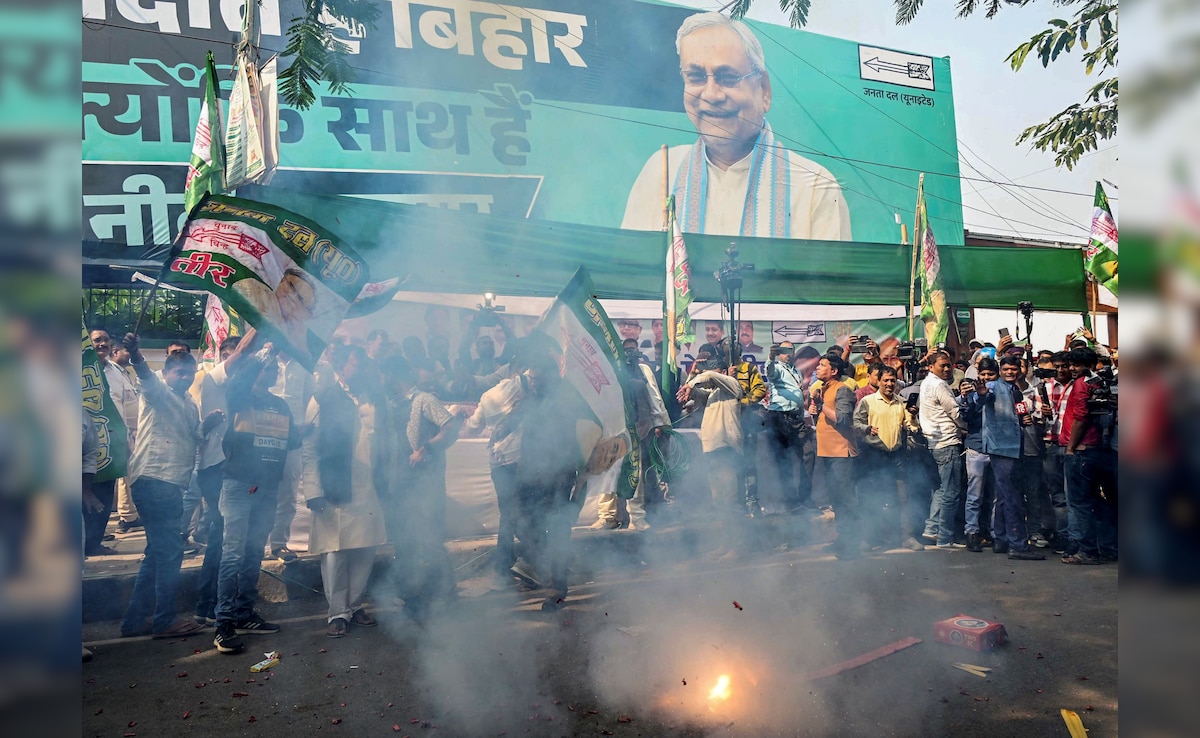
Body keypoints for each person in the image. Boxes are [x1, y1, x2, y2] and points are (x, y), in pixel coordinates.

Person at [622, 12, 850, 240]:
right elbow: (626, 273)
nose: (711, 94)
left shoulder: (816, 188)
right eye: (696, 77)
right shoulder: (661, 172)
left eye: (727, 77)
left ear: (764, 90)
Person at [119, 333, 222, 639]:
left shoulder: (190, 402)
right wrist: (136, 353)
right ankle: (164, 619)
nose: (185, 377)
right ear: (166, 373)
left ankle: (134, 621)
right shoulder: (158, 392)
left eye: (189, 373)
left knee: (158, 553)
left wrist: (208, 426)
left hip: (170, 483)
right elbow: (146, 377)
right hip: (154, 479)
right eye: (179, 372)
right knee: (170, 553)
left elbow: (193, 437)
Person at [211, 343, 299, 653]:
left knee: (252, 554)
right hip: (238, 485)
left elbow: (292, 442)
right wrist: (266, 350)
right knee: (233, 554)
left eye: (276, 367)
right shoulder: (240, 396)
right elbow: (239, 376)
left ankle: (244, 614)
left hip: (267, 489)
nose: (273, 371)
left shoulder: (282, 405)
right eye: (268, 367)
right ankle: (223, 623)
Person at [302, 344, 388, 637]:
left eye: (362, 365)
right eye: (354, 364)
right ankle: (337, 612)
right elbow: (309, 447)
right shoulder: (321, 399)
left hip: (367, 487)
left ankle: (354, 604)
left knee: (365, 548)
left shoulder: (374, 398)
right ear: (340, 366)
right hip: (335, 485)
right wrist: (313, 489)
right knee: (335, 551)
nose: (360, 370)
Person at [516, 351, 601, 611]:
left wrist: (580, 473)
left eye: (536, 379)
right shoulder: (533, 398)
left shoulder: (568, 400)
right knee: (525, 525)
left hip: (558, 476)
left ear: (550, 378)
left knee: (557, 531)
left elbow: (589, 430)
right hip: (530, 475)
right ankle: (544, 570)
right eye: (530, 378)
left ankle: (556, 588)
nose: (532, 382)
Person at [380, 356, 462, 620]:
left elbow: (451, 426)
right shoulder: (390, 404)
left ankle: (446, 596)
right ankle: (412, 598)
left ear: (394, 376)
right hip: (400, 483)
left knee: (429, 538)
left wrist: (427, 448)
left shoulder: (423, 400)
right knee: (405, 541)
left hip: (424, 484)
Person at [968, 355, 1045, 560]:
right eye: (1006, 369)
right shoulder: (993, 386)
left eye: (1014, 369)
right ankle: (1018, 546)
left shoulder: (1015, 390)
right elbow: (981, 399)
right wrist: (981, 394)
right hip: (1001, 448)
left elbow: (1019, 413)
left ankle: (1002, 540)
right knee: (1013, 499)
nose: (1010, 372)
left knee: (1004, 497)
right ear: (1000, 370)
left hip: (1014, 447)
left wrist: (1025, 418)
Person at [678, 356, 745, 556]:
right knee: (720, 502)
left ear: (723, 372)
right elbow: (692, 392)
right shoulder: (713, 394)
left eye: (715, 370)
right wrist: (692, 375)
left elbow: (709, 377)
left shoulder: (733, 386)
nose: (708, 374)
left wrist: (700, 376)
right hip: (713, 451)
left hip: (726, 449)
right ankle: (726, 544)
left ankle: (737, 547)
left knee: (730, 502)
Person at [853, 366, 924, 551]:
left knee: (902, 498)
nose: (889, 384)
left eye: (892, 381)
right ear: (879, 381)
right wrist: (867, 429)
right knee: (871, 499)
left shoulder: (901, 403)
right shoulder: (867, 401)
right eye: (886, 380)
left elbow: (912, 426)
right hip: (873, 456)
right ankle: (868, 540)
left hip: (896, 457)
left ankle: (906, 537)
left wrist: (914, 416)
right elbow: (856, 423)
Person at [1059, 346, 1118, 565]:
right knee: (1099, 502)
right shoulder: (1099, 383)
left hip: (1082, 450)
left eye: (1078, 365)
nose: (1073, 368)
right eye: (1072, 364)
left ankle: (1088, 551)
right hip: (1097, 450)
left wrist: (1071, 447)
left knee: (1080, 503)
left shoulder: (1082, 385)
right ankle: (1109, 547)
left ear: (1091, 365)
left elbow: (1081, 417)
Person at [84, 329, 138, 554]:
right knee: (82, 492)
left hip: (112, 444)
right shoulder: (78, 369)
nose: (102, 344)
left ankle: (94, 543)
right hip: (82, 443)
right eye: (97, 340)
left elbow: (128, 408)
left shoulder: (117, 372)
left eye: (106, 340)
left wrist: (128, 440)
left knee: (105, 494)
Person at [809, 354, 861, 558]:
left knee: (846, 500)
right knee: (836, 500)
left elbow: (842, 419)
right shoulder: (824, 390)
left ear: (834, 371)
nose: (817, 369)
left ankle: (852, 546)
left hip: (842, 453)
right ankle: (842, 540)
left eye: (822, 366)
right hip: (828, 452)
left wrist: (822, 406)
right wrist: (816, 411)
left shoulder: (843, 390)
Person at [266, 350, 315, 560]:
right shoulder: (265, 360)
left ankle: (279, 543)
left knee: (288, 493)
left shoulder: (305, 364)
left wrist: (306, 424)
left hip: (294, 438)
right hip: (265, 437)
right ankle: (257, 545)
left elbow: (309, 399)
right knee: (262, 492)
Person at [918, 351, 966, 549]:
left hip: (935, 443)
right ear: (931, 367)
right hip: (946, 443)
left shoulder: (927, 383)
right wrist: (968, 427)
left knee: (941, 489)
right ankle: (945, 537)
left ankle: (932, 528)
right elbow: (955, 412)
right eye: (942, 366)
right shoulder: (938, 385)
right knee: (951, 492)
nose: (947, 369)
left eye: (949, 365)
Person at [763, 342, 814, 514]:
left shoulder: (796, 371)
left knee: (808, 454)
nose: (787, 354)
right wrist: (771, 357)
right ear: (778, 353)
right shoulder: (776, 367)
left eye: (790, 351)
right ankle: (791, 502)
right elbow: (769, 372)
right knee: (784, 461)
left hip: (796, 417)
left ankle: (805, 498)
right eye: (783, 351)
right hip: (779, 417)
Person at [958, 357, 998, 553]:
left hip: (997, 449)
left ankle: (994, 532)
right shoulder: (971, 394)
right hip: (976, 448)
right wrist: (967, 398)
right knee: (974, 495)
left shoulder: (1002, 392)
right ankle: (971, 532)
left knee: (996, 496)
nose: (986, 378)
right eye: (983, 375)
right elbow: (965, 417)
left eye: (990, 374)